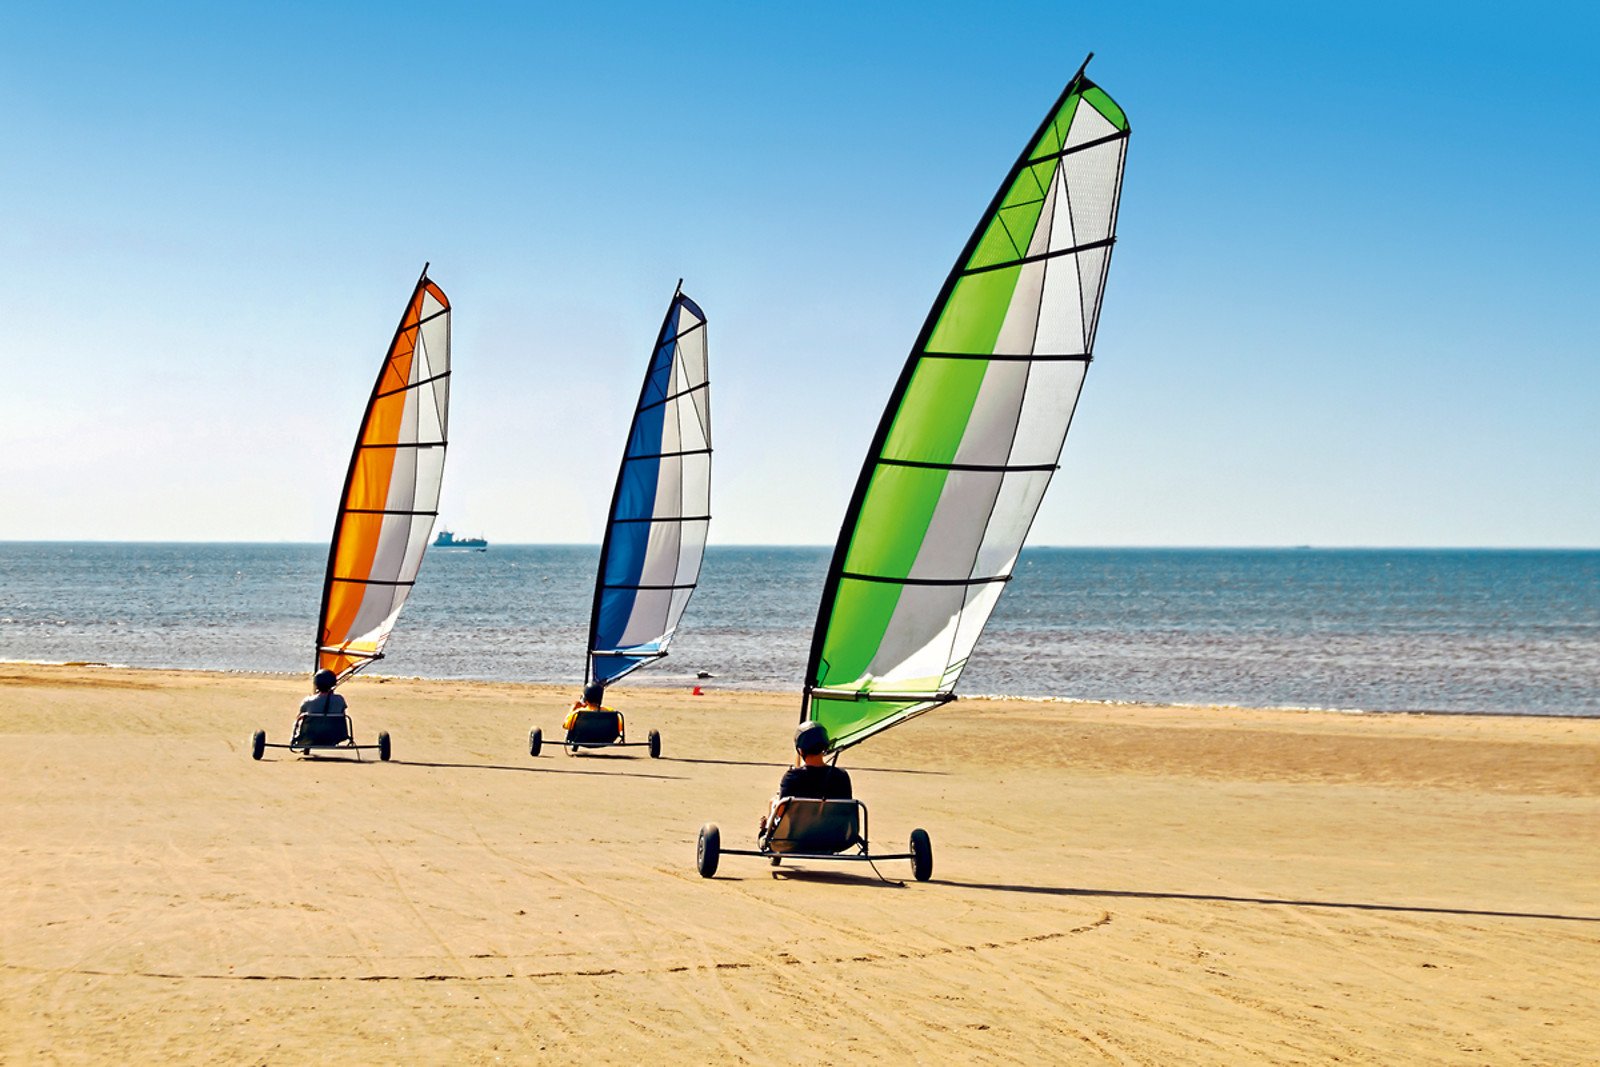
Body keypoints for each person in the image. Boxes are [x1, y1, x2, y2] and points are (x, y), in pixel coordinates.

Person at [759, 721, 852, 838]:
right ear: (825, 746)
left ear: (800, 750)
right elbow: (846, 811)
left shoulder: (792, 777)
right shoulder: (841, 776)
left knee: (775, 801)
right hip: (835, 837)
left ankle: (766, 834)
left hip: (796, 836)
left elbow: (781, 812)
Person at [291, 668, 348, 747]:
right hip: (334, 736)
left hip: (311, 736)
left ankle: (295, 739)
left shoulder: (308, 701)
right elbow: (343, 714)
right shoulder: (339, 699)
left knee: (300, 717)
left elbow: (299, 717)